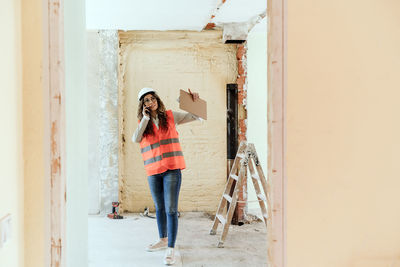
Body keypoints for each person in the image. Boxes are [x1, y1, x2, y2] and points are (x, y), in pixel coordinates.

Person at [132, 87, 201, 265]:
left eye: (153, 98)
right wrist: (145, 119)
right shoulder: (143, 123)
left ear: (157, 100)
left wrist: (194, 103)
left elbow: (196, 116)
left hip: (171, 169)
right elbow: (135, 138)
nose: (150, 102)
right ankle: (162, 240)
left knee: (171, 209)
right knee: (160, 208)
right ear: (143, 105)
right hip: (154, 171)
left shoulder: (171, 116)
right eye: (146, 100)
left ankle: (171, 248)